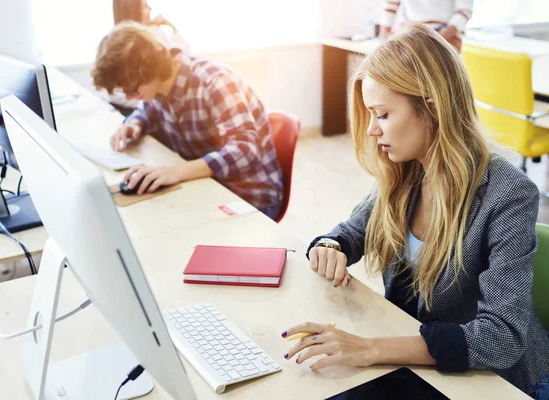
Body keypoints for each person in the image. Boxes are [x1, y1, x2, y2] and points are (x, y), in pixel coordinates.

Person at [282, 24, 549, 399]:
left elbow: (501, 338)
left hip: (492, 381)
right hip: (420, 360)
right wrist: (331, 245)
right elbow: (353, 231)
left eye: (383, 114)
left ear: (432, 107)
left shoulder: (508, 194)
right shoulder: (407, 168)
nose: (372, 130)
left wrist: (371, 349)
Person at [91, 22, 284, 220]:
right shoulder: (155, 88)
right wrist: (134, 123)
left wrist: (177, 172)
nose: (130, 97)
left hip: (250, 195)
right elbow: (145, 110)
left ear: (150, 68)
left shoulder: (216, 80)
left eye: (132, 89)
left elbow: (245, 149)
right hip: (205, 186)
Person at [379, 0, 473, 51]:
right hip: (409, 36)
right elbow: (390, 7)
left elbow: (464, 11)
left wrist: (437, 37)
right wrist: (382, 44)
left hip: (446, 39)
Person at [113, 0, 190, 53]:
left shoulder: (152, 31)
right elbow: (185, 54)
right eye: (146, 6)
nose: (150, 9)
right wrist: (171, 26)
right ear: (136, 13)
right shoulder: (152, 35)